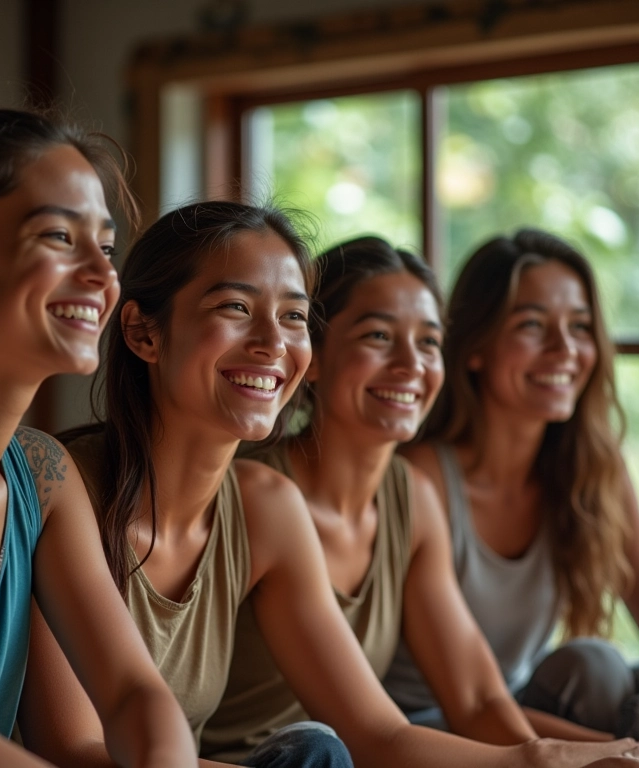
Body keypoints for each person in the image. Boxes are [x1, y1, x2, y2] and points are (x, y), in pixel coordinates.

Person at [19, 204, 639, 768]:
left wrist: (547, 759)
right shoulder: (60, 482)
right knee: (315, 750)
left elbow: (382, 733)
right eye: (235, 307)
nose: (271, 343)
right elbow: (74, 749)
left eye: (292, 317)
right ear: (143, 332)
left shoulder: (266, 506)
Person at [0, 78, 197, 768]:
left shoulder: (42, 474)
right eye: (58, 236)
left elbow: (138, 698)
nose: (102, 276)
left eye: (105, 247)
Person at [200, 235, 613, 764]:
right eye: (378, 336)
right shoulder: (254, 492)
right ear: (314, 355)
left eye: (428, 342)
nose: (410, 364)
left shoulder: (410, 496)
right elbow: (378, 737)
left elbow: (476, 698)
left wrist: (573, 757)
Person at [384, 228, 639, 740]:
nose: (565, 348)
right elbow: (470, 703)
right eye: (531, 325)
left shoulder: (591, 470)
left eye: (581, 326)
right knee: (597, 679)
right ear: (474, 348)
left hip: (508, 702)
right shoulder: (421, 478)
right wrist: (619, 752)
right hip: (419, 724)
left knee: (595, 665)